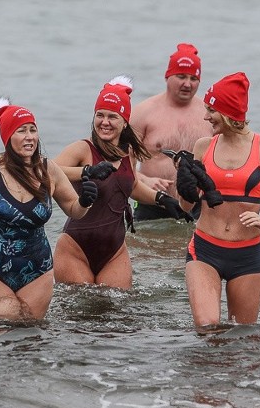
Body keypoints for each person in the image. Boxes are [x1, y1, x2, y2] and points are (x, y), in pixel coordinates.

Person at [0, 98, 99, 322]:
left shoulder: (48, 169)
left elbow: (73, 210)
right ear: (8, 137)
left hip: (38, 270)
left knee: (30, 333)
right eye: (21, 131)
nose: (29, 136)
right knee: (1, 320)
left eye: (33, 130)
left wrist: (85, 201)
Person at [175, 72, 260, 328]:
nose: (205, 116)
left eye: (211, 110)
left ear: (228, 111)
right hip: (204, 249)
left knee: (243, 338)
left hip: (247, 254)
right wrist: (185, 189)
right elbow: (185, 207)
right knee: (207, 327)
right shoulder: (203, 146)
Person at [53, 76, 193, 289]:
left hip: (114, 251)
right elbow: (46, 172)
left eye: (112, 116)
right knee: (81, 315)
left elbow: (133, 186)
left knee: (119, 313)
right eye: (99, 115)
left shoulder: (129, 153)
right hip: (75, 248)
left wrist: (162, 199)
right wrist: (88, 171)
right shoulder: (82, 149)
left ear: (125, 121)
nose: (105, 122)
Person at [130, 43, 214, 221]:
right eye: (181, 76)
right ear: (167, 76)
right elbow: (119, 162)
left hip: (198, 205)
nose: (187, 84)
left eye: (193, 79)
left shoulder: (210, 114)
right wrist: (144, 179)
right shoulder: (143, 112)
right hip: (152, 202)